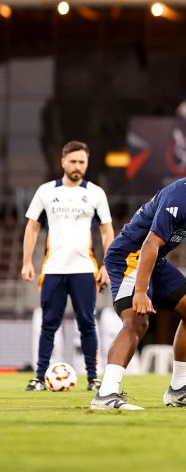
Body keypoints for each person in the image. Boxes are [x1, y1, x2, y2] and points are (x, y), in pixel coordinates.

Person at [91, 142, 186, 410]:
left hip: (154, 260)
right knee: (137, 322)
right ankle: (105, 394)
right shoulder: (180, 196)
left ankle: (179, 390)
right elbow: (149, 243)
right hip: (129, 256)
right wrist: (140, 291)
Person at [21, 141, 114, 392]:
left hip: (85, 269)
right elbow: (32, 226)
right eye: (72, 161)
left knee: (87, 323)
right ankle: (39, 377)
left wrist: (107, 264)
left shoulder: (95, 193)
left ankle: (93, 377)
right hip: (52, 269)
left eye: (81, 162)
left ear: (87, 163)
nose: (77, 166)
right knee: (49, 324)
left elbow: (107, 232)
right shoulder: (46, 192)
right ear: (63, 162)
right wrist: (27, 261)